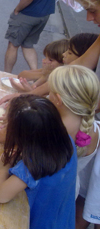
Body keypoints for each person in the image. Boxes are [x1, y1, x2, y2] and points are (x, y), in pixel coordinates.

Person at [0, 94, 77, 228]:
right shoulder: (64, 139)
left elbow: (0, 195)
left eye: (8, 124)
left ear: (24, 137)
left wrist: (3, 169)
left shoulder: (33, 165)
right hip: (62, 220)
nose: (6, 126)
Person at [48, 65, 100, 229]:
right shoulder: (94, 128)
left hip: (46, 191)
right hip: (70, 192)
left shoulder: (54, 129)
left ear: (57, 99)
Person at [4, 0, 55, 73]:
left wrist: (17, 9)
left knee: (13, 45)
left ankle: (6, 74)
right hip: (45, 13)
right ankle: (35, 75)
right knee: (28, 45)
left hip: (28, 13)